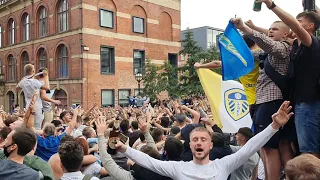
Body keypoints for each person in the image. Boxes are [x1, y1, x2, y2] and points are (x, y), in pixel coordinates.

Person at [114, 101, 293, 180]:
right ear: (190, 145)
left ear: (210, 144)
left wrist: (274, 126)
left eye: (203, 139)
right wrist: (125, 149)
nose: (199, 142)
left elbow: (250, 148)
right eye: (195, 140)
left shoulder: (223, 165)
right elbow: (149, 162)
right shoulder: (178, 168)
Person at [231, 17, 295, 180]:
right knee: (277, 145)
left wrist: (246, 28)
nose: (270, 31)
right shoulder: (269, 51)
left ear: (286, 34)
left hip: (270, 102)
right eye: (270, 28)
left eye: (275, 29)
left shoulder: (282, 48)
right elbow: (248, 55)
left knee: (268, 147)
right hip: (267, 102)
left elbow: (267, 43)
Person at [258, 0, 320, 159]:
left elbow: (291, 25)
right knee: (300, 147)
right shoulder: (296, 45)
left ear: (309, 27)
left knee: (309, 151)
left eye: (299, 22)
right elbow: (277, 33)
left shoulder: (310, 43)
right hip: (302, 103)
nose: (293, 25)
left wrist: (271, 5)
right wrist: (251, 28)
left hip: (309, 103)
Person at [194, 35, 263, 117]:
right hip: (265, 97)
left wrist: (200, 66)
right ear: (255, 42)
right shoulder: (263, 54)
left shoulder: (240, 58)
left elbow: (217, 63)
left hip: (251, 101)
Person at [16, 64, 50, 130]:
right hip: (37, 107)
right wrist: (46, 77)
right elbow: (47, 88)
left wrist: (23, 82)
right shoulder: (35, 82)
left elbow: (17, 88)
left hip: (28, 106)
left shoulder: (23, 81)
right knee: (37, 127)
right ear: (33, 70)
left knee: (29, 125)